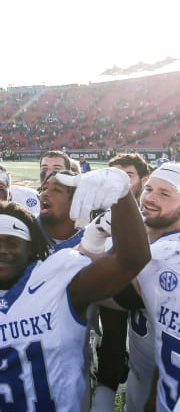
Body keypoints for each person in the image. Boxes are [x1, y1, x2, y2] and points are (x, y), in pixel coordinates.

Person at [0, 166, 150, 411]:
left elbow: (132, 260)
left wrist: (121, 195)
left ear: (31, 248)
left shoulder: (60, 277)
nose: (1, 251)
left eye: (12, 242)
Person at [88, 162, 180, 412]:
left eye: (165, 194)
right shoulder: (133, 239)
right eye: (149, 189)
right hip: (141, 373)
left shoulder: (168, 255)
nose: (150, 198)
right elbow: (113, 311)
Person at [91, 152, 152, 411]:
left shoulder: (158, 211)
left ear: (143, 179)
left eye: (127, 176)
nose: (118, 183)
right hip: (115, 286)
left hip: (149, 294)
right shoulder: (97, 209)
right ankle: (106, 392)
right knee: (113, 339)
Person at [38, 170, 85, 251]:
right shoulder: (26, 232)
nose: (44, 193)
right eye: (44, 188)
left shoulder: (92, 242)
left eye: (56, 190)